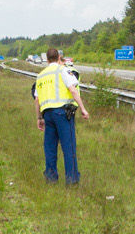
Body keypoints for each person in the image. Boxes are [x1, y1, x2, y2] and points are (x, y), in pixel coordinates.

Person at [32, 46, 91, 184]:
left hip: (48, 114)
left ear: (46, 59)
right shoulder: (63, 70)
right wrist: (83, 109)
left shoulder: (40, 75)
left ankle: (51, 178)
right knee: (68, 147)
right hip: (63, 113)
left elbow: (37, 100)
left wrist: (39, 118)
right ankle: (72, 180)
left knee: (50, 148)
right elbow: (73, 90)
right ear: (59, 57)